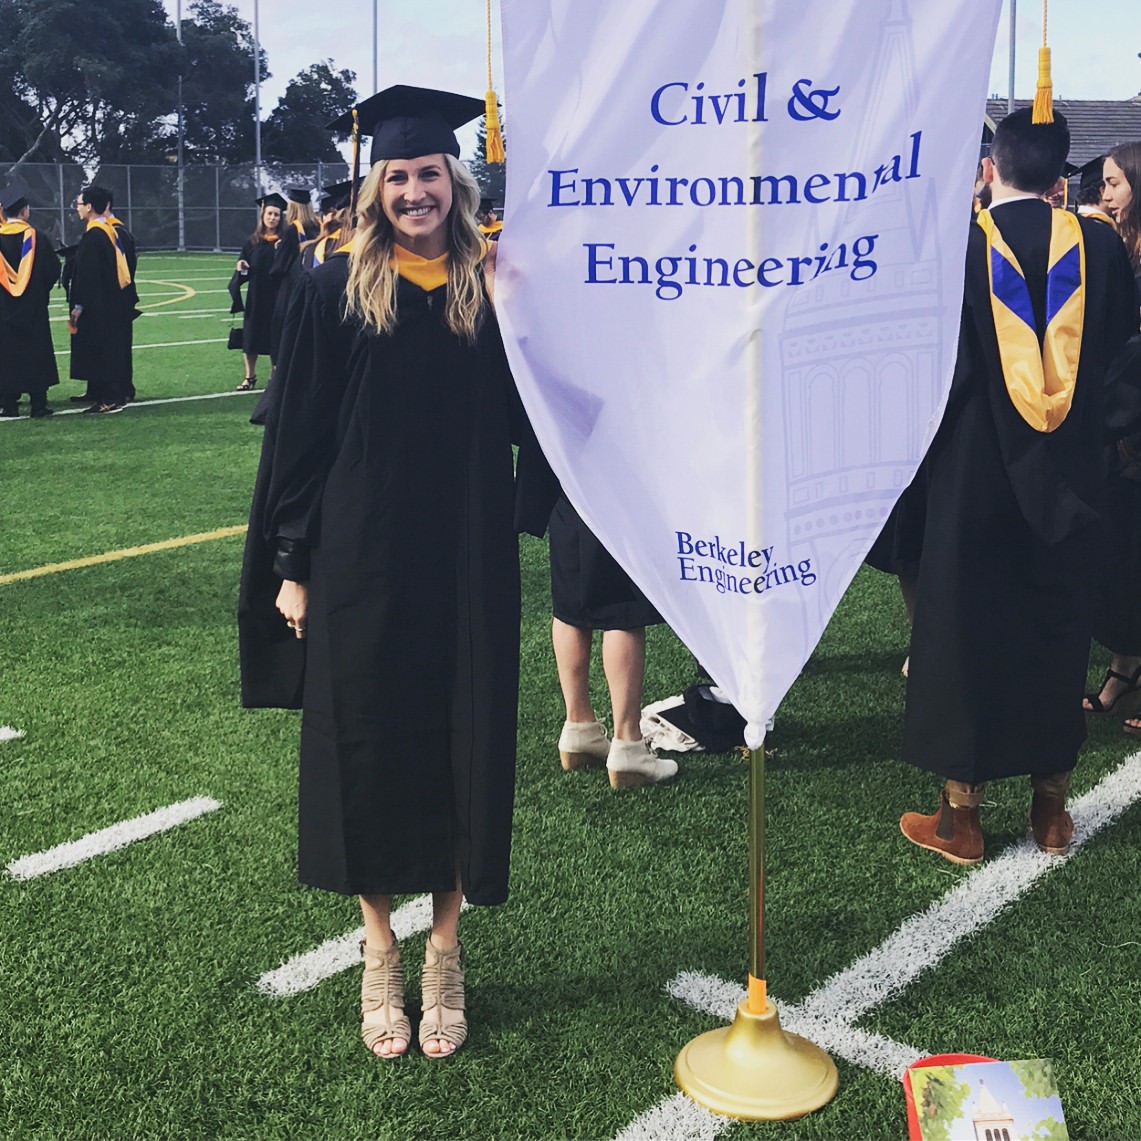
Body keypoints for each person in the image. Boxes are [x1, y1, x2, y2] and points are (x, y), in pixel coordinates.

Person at [238, 85, 528, 1061]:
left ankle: (443, 950)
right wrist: (291, 565)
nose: (415, 190)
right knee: (364, 747)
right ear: (375, 187)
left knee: (459, 742)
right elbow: (298, 443)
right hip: (359, 558)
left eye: (429, 173)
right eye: (398, 175)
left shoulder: (492, 289)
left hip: (464, 555)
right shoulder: (330, 290)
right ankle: (378, 951)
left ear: (456, 179)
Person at [899, 108, 1140, 865]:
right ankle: (1051, 815)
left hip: (971, 478)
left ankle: (960, 819)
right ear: (1060, 176)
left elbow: (926, 370)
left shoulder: (954, 246)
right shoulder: (1099, 246)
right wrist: (1097, 435)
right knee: (1053, 627)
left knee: (962, 630)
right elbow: (1125, 356)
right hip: (1072, 479)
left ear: (987, 170)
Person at [549, 495, 677, 787]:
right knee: (622, 608)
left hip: (563, 472)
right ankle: (628, 743)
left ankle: (579, 729)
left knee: (570, 602)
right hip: (611, 476)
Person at [68, 185, 138, 415]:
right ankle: (108, 392)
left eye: (79, 204)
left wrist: (79, 305)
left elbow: (88, 276)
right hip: (114, 300)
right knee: (113, 349)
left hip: (100, 304)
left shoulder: (97, 234)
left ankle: (111, 397)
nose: (77, 209)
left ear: (89, 207)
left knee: (105, 350)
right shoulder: (109, 232)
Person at [0, 178, 61, 419]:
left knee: (5, 353)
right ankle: (38, 404)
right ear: (24, 211)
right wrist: (38, 292)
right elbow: (52, 270)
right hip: (33, 308)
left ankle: (9, 404)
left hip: (3, 309)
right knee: (35, 352)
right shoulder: (37, 238)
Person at [235, 192, 286, 391]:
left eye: (276, 215)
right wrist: (241, 266)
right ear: (263, 215)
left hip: (277, 295)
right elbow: (242, 265)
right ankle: (250, 376)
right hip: (256, 296)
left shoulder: (284, 241)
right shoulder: (252, 241)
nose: (273, 218)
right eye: (270, 214)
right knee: (251, 338)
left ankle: (275, 377)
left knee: (276, 337)